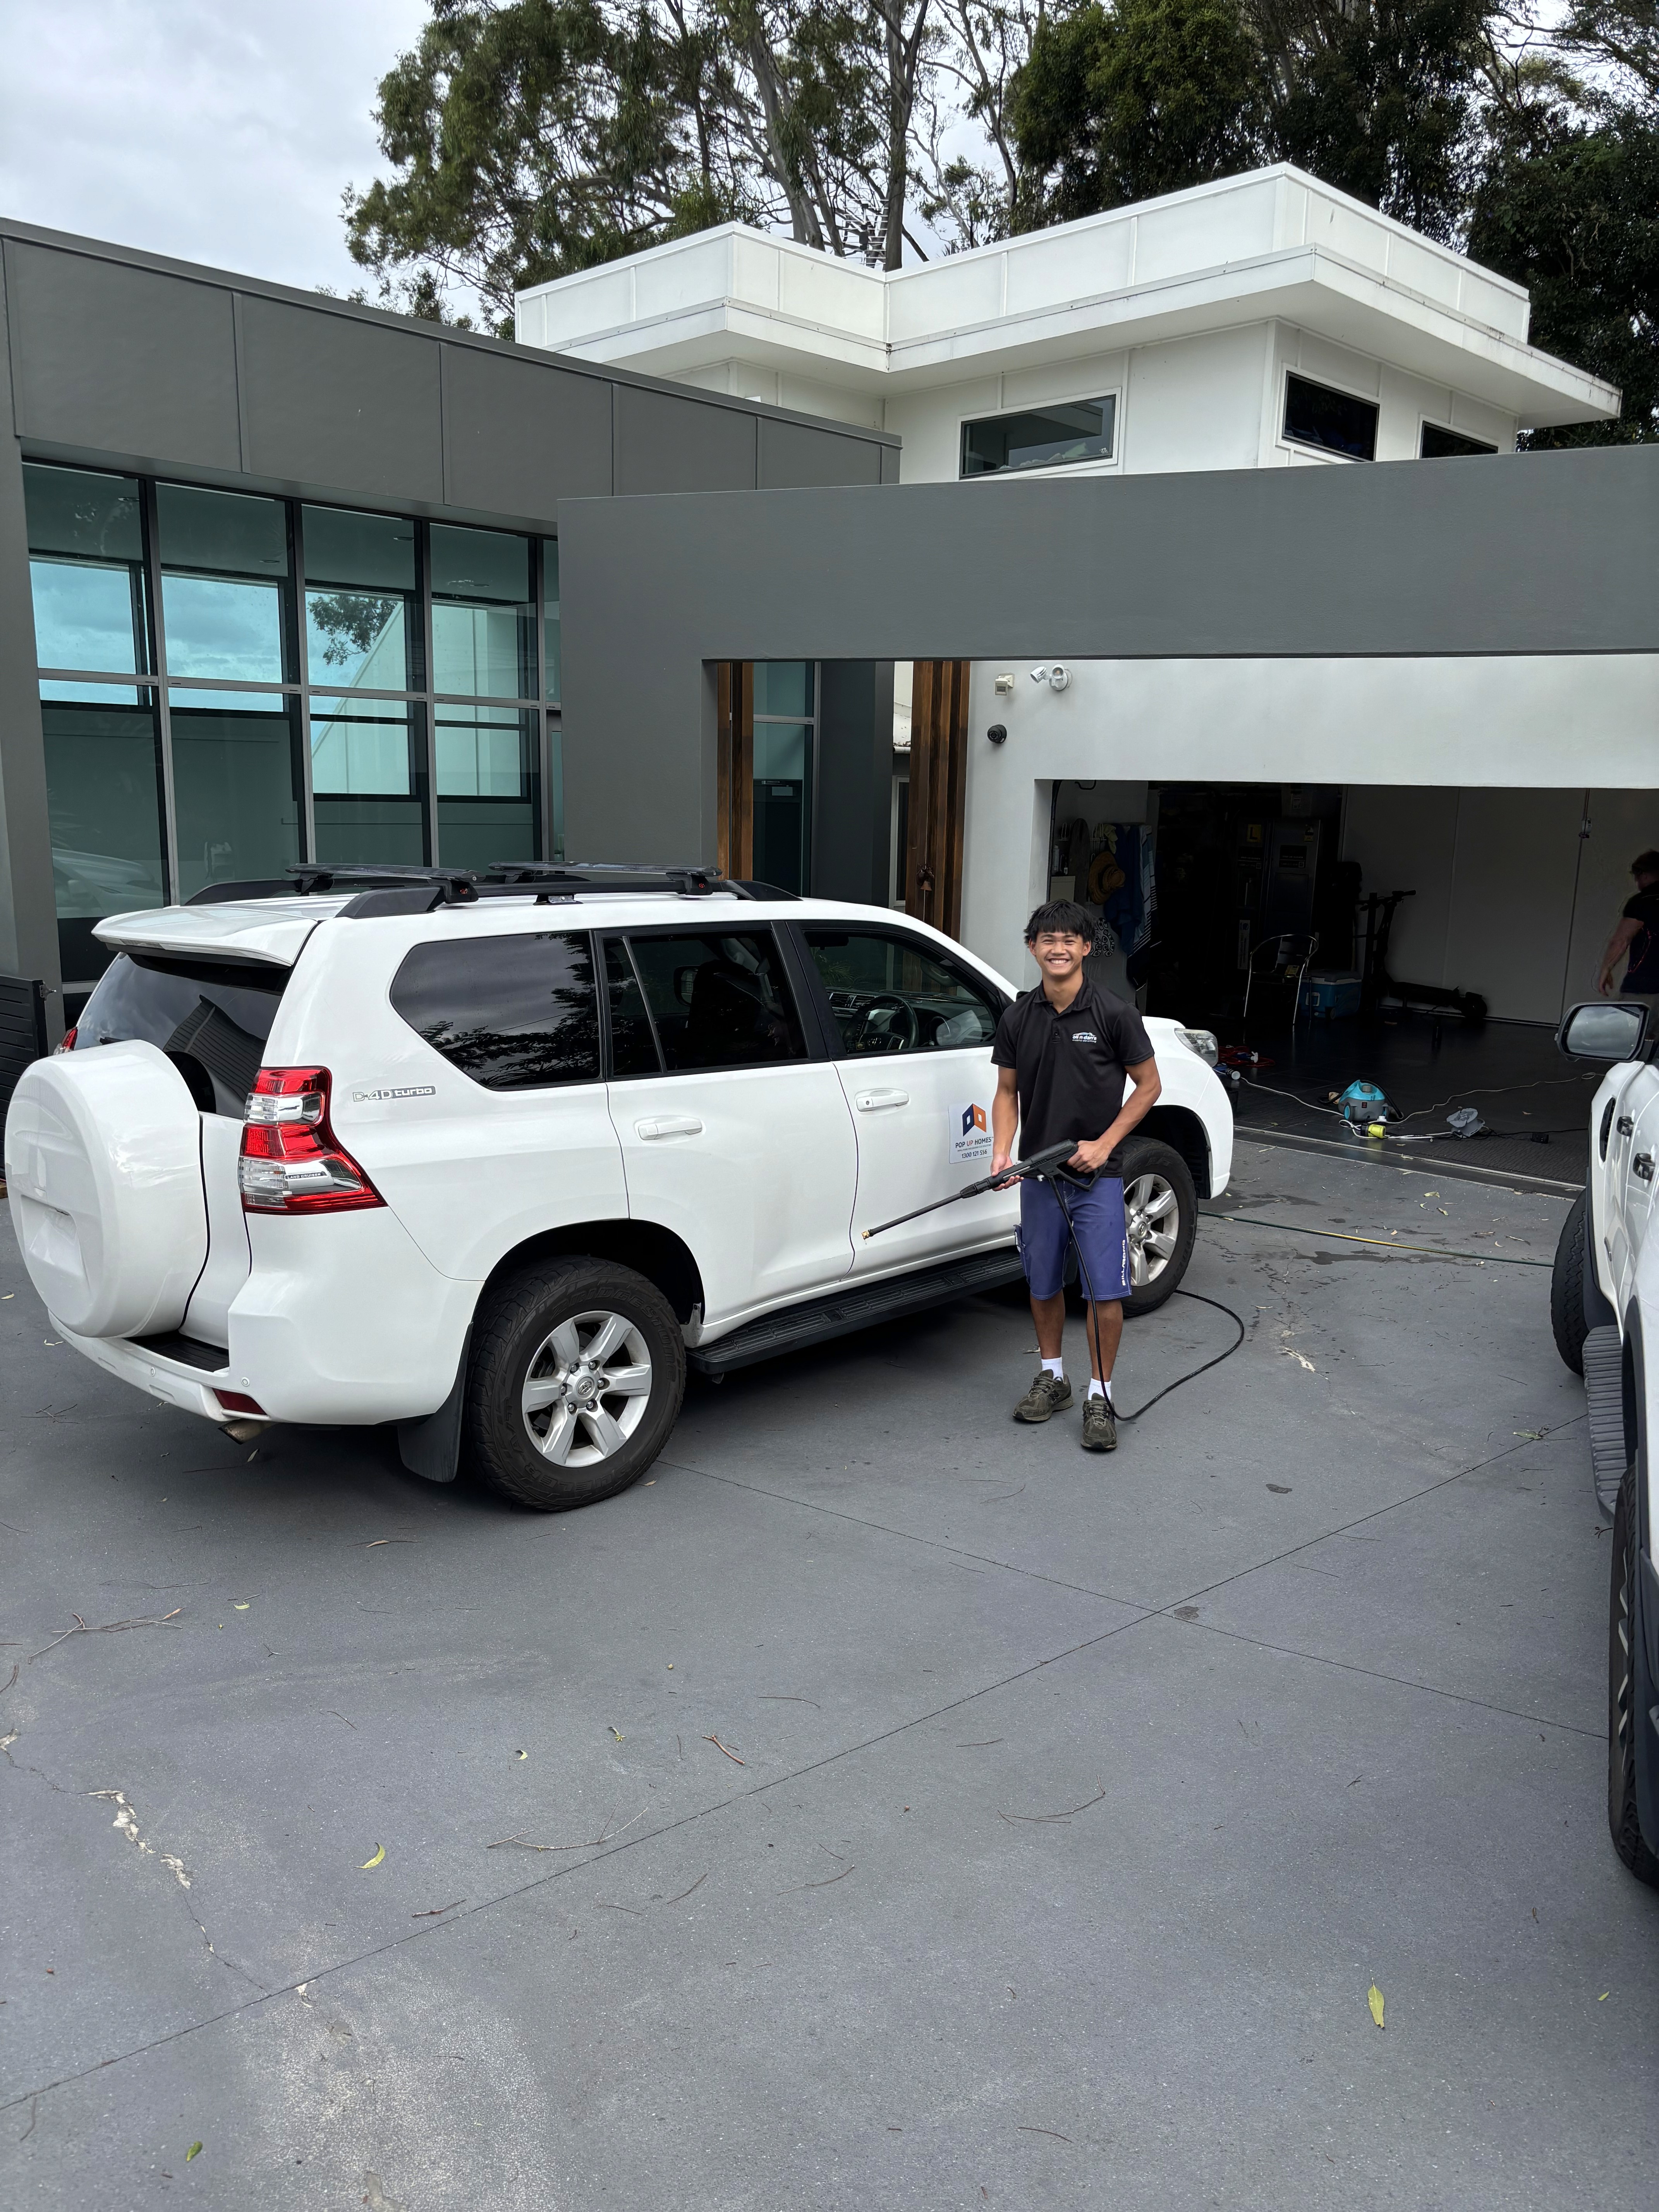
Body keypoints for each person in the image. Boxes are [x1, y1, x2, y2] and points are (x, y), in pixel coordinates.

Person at [990, 898, 1162, 1453]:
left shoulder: (1114, 1014)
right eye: (1047, 939)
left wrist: (1105, 1143)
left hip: (1099, 1178)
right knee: (1041, 1283)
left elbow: (1150, 1086)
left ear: (1087, 947)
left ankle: (1100, 1396)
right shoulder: (1019, 1016)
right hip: (1040, 1176)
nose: (1058, 948)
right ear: (1033, 947)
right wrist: (1001, 1153)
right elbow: (1006, 1093)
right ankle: (1054, 1378)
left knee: (1103, 1290)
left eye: (1069, 939)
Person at [1597, 851, 1659, 1010]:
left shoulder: (1643, 902)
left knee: (1631, 1031)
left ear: (1644, 875)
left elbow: (1621, 941)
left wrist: (1607, 968)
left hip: (1645, 987)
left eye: (1637, 877)